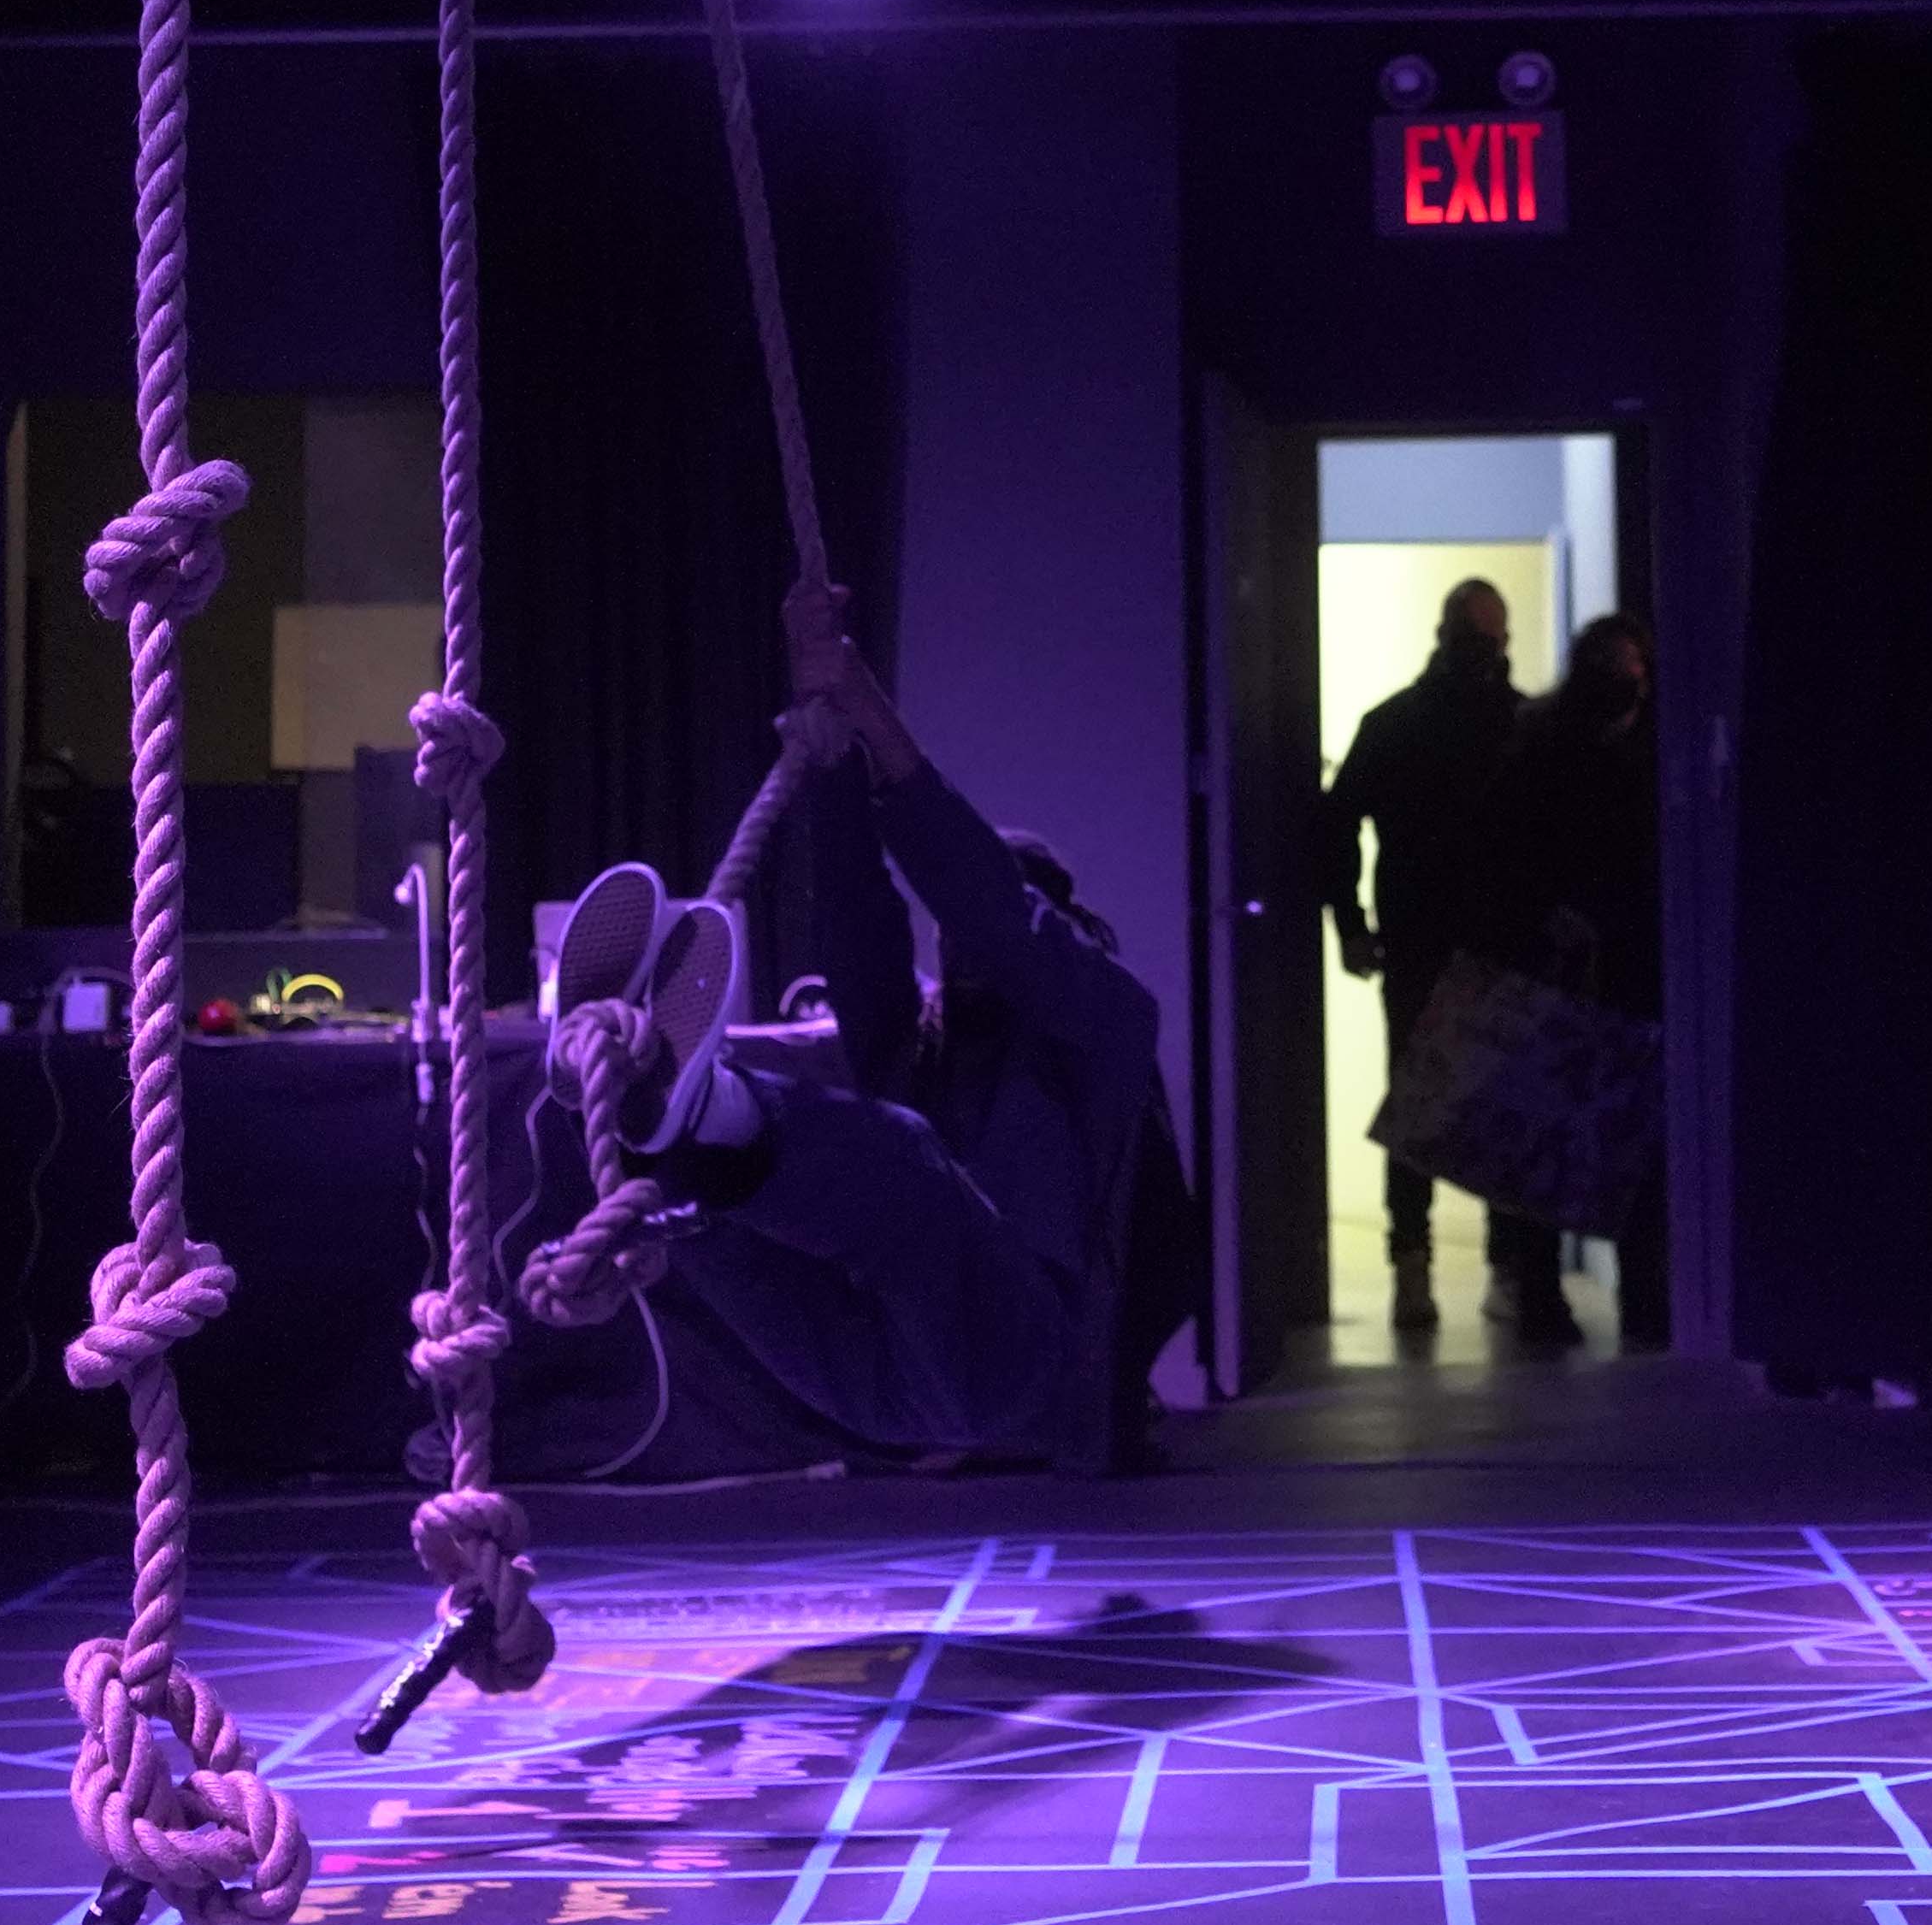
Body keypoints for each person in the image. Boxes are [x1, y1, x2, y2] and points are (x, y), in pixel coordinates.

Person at [539, 587, 1191, 1472]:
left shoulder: (1106, 1031)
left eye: (982, 930)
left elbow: (994, 912)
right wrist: (832, 763)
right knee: (722, 1226)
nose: (959, 949)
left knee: (904, 1159)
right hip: (871, 1381)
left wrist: (871, 716)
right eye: (947, 936)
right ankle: (658, 1125)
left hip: (1018, 1366)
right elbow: (860, 921)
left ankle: (703, 1106)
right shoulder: (921, 1040)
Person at [1317, 580, 1544, 1331]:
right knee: (1491, 1105)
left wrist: (1352, 922)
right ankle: (1497, 1268)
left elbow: (1336, 823)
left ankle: (1417, 1266)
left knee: (1424, 1102)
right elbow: (1338, 826)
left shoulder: (1396, 723)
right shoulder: (1519, 725)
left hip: (1431, 939)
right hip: (1490, 941)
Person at [1474, 611, 1669, 1346]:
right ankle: (1632, 1304)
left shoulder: (1543, 745)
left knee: (1556, 1142)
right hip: (1586, 965)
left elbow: (1500, 853)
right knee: (1605, 1143)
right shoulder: (1624, 751)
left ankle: (1558, 1300)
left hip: (1567, 963)